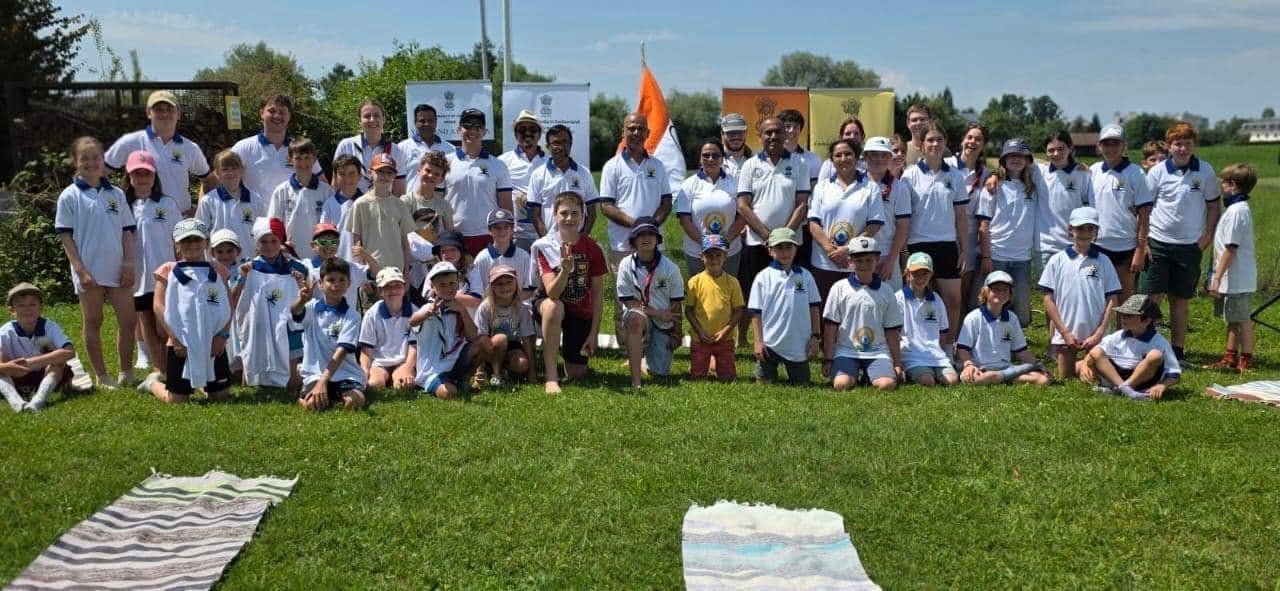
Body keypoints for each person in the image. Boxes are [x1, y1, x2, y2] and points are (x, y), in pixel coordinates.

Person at [56, 136, 139, 389]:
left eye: (96, 158)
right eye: (85, 158)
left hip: (117, 268)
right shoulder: (69, 196)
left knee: (129, 320)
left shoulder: (116, 193)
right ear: (75, 161)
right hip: (88, 269)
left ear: (102, 160)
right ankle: (102, 376)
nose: (91, 163)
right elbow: (66, 237)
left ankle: (126, 372)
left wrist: (129, 264)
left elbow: (127, 231)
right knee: (94, 321)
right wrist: (80, 270)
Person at [1140, 121, 1220, 362]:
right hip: (1158, 243)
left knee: (1180, 299)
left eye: (1187, 143)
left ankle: (1177, 352)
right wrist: (1143, 242)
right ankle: (1146, 348)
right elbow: (1144, 208)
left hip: (1189, 246)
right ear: (1169, 146)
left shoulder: (1205, 171)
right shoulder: (1157, 171)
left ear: (1193, 145)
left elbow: (1213, 206)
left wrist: (1207, 237)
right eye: (1177, 144)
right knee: (1151, 297)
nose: (1183, 148)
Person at [138, 219, 233, 403]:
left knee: (220, 397)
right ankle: (152, 384)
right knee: (177, 400)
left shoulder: (217, 270)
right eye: (185, 240)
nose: (192, 244)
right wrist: (175, 338)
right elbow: (158, 306)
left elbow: (228, 305)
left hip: (213, 340)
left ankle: (203, 383)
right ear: (177, 244)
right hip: (181, 342)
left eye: (196, 239)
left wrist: (222, 336)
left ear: (206, 242)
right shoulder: (168, 270)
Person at [736, 117, 811, 346]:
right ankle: (744, 338)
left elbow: (802, 203)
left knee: (786, 291)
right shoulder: (750, 165)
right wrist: (768, 236)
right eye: (767, 132)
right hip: (757, 242)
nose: (773, 136)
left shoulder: (799, 163)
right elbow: (743, 205)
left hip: (790, 243)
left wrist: (783, 238)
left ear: (785, 135)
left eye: (777, 132)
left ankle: (783, 335)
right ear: (760, 136)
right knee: (752, 290)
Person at [530, 192, 607, 394]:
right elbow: (553, 293)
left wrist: (594, 333)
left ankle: (566, 354)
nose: (569, 218)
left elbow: (598, 294)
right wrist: (564, 270)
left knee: (577, 374)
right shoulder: (544, 246)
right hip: (549, 304)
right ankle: (551, 377)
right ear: (554, 215)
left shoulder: (593, 248)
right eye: (564, 213)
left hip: (579, 309)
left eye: (575, 213)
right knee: (554, 307)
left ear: (583, 216)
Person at [903, 122, 969, 347]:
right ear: (922, 145)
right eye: (930, 140)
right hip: (917, 244)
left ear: (945, 143)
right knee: (917, 300)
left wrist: (964, 249)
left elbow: (961, 217)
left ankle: (948, 348)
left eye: (939, 139)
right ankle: (918, 347)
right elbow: (904, 217)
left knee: (953, 300)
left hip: (947, 245)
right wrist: (904, 251)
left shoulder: (956, 176)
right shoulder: (909, 175)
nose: (935, 144)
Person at [1038, 207, 1122, 380]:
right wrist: (1065, 333)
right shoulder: (1057, 260)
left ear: (1096, 231)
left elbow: (1112, 299)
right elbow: (1048, 300)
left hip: (1097, 336)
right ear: (1070, 230)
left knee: (1092, 379)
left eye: (1090, 229)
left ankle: (1090, 362)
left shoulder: (1104, 261)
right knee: (1066, 378)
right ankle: (1083, 363)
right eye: (1080, 228)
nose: (1085, 233)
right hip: (1067, 335)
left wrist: (1099, 333)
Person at [105, 91, 212, 214]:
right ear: (148, 113)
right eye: (159, 109)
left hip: (180, 222)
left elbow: (208, 180)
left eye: (169, 109)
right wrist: (113, 208)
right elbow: (99, 173)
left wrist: (199, 210)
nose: (165, 113)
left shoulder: (190, 148)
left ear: (178, 114)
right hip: (139, 221)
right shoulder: (130, 142)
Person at [233, 218, 307, 388]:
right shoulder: (249, 268)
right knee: (252, 364)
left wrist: (300, 283)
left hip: (286, 326)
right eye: (263, 241)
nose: (269, 246)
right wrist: (242, 278)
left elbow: (306, 297)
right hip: (258, 325)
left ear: (281, 241)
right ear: (257, 243)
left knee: (291, 381)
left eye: (273, 241)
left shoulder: (296, 268)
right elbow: (234, 298)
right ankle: (251, 386)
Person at [821, 237, 902, 392]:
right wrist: (828, 359)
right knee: (841, 384)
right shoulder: (839, 288)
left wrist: (897, 363)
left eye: (869, 260)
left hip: (877, 351)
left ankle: (869, 373)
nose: (864, 265)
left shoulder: (886, 290)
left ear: (877, 260)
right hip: (846, 350)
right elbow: (831, 327)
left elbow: (891, 330)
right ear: (850, 261)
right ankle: (855, 372)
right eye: (859, 260)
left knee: (887, 385)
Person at [976, 138, 1042, 327]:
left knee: (1021, 312)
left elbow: (1051, 163)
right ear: (1003, 159)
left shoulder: (1033, 187)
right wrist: (986, 257)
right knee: (992, 305)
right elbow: (984, 226)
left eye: (1021, 156)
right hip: (996, 255)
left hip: (1022, 258)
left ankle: (1014, 341)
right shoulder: (993, 187)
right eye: (1011, 155)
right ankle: (992, 339)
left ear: (1028, 160)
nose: (1016, 159)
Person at [807, 138, 884, 300]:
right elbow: (813, 224)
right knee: (825, 311)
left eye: (848, 154)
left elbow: (874, 226)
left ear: (856, 157)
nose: (843, 159)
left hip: (857, 264)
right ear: (831, 160)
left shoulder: (871, 188)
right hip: (824, 263)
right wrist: (832, 252)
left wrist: (848, 250)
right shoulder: (821, 187)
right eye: (838, 155)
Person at [126, 150, 179, 377]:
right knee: (146, 322)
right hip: (139, 277)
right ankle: (159, 369)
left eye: (146, 173)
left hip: (166, 275)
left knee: (163, 324)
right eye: (136, 174)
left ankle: (173, 366)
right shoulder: (124, 205)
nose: (142, 178)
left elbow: (178, 238)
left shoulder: (167, 204)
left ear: (154, 176)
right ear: (129, 176)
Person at [599, 112, 672, 270]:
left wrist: (650, 228)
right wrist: (638, 226)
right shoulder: (611, 166)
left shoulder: (658, 165)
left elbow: (666, 203)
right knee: (624, 286)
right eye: (631, 129)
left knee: (656, 285)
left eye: (641, 129)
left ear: (648, 133)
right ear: (623, 132)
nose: (636, 133)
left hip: (654, 244)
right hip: (622, 245)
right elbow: (606, 206)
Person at [617, 217, 684, 387]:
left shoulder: (671, 268)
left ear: (657, 239)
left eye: (650, 234)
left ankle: (642, 359)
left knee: (658, 373)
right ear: (634, 240)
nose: (646, 238)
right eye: (641, 235)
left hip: (664, 323)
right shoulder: (626, 264)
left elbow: (676, 305)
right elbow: (629, 302)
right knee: (635, 320)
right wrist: (657, 313)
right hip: (642, 315)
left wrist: (677, 334)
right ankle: (636, 380)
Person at [291, 257, 366, 411]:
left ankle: (333, 394)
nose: (336, 284)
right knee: (311, 406)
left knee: (353, 402)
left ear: (349, 284)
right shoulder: (311, 308)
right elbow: (295, 312)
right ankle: (310, 396)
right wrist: (301, 300)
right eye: (330, 280)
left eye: (342, 280)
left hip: (346, 373)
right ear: (320, 284)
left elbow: (342, 351)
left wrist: (323, 382)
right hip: (316, 374)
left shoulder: (353, 315)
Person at [748, 228, 820, 385]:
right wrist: (758, 342)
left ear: (796, 249)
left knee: (802, 384)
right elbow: (755, 312)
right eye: (779, 248)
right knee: (764, 384)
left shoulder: (806, 276)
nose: (785, 252)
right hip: (769, 344)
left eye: (789, 247)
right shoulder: (763, 277)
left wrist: (815, 337)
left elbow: (814, 308)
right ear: (770, 251)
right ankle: (766, 368)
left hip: (798, 345)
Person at [1090, 124, 1153, 302]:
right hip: (1097, 245)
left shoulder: (1135, 173)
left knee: (1125, 299)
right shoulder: (1093, 171)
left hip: (1125, 247)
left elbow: (1144, 215)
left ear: (1124, 146)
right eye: (1106, 143)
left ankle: (1124, 323)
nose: (1110, 148)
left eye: (1115, 143)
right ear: (1099, 146)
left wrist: (1140, 250)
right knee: (1100, 299)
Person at [955, 271, 1051, 386]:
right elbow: (962, 349)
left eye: (1005, 290)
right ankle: (1006, 378)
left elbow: (1021, 351)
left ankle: (1000, 378)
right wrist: (968, 365)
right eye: (996, 289)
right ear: (986, 292)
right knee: (973, 378)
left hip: (1005, 368)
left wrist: (1038, 364)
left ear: (1010, 295)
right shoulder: (974, 317)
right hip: (979, 368)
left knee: (1043, 380)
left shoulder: (1012, 318)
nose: (1000, 293)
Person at [1078, 294, 1180, 400]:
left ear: (1147, 321)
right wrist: (1085, 364)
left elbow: (1174, 374)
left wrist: (1162, 385)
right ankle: (1123, 389)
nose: (1123, 318)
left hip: (1142, 382)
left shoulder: (1159, 342)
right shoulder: (1119, 335)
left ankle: (1126, 388)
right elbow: (1095, 352)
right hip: (1115, 376)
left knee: (1155, 355)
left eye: (1129, 316)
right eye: (1122, 315)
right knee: (1088, 358)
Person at [1207, 163, 1258, 372]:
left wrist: (1217, 277)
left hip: (1237, 276)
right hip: (1232, 277)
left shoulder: (1237, 211)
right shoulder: (1234, 208)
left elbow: (1230, 248)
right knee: (1232, 318)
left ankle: (1246, 359)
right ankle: (1230, 357)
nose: (1221, 184)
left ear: (1233, 185)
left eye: (1224, 181)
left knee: (1242, 318)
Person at [444, 108, 514, 256]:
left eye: (478, 127)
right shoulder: (446, 162)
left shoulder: (498, 165)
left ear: (484, 132)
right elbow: (438, 201)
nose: (472, 130)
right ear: (459, 129)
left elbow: (506, 205)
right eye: (467, 126)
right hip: (455, 236)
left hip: (489, 235)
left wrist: (508, 238)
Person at [230, 94, 324, 201]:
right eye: (272, 111)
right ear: (261, 113)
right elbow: (220, 178)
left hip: (293, 212)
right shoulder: (243, 148)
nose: (277, 116)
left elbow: (322, 183)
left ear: (289, 116)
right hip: (255, 212)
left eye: (282, 112)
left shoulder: (301, 149)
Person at [411, 262, 483, 399]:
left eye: (451, 283)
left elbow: (473, 336)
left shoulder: (458, 306)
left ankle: (463, 379)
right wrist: (427, 314)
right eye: (442, 285)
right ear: (433, 287)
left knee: (483, 343)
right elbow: (412, 322)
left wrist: (462, 310)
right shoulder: (429, 308)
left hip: (454, 361)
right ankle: (442, 384)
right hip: (433, 369)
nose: (448, 288)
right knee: (449, 393)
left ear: (458, 283)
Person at [0, 283, 75, 412]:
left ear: (41, 308)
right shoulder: (5, 332)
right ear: (12, 310)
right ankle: (16, 402)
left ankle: (39, 400)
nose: (27, 309)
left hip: (44, 374)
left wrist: (30, 363)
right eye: (21, 305)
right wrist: (8, 367)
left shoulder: (50, 327)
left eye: (32, 304)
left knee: (59, 363)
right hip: (16, 376)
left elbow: (69, 352)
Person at [676, 138, 745, 276]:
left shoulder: (735, 183)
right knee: (700, 289)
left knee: (728, 288)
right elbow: (684, 220)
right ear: (700, 159)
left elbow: (742, 217)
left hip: (729, 251)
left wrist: (725, 241)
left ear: (722, 158)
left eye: (715, 155)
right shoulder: (688, 185)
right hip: (697, 252)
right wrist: (705, 243)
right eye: (706, 155)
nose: (710, 159)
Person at [267, 138, 341, 261]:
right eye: (298, 158)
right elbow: (274, 224)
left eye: (307, 157)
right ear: (290, 159)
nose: (303, 163)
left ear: (314, 159)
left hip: (322, 256)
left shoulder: (327, 191)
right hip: (290, 257)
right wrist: (280, 245)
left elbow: (334, 225)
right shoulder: (281, 191)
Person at [685, 234, 744, 382]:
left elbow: (738, 311)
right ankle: (701, 364)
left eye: (718, 255)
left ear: (725, 257)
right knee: (698, 377)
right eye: (709, 255)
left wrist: (725, 332)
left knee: (728, 378)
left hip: (725, 339)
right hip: (700, 338)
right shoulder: (694, 282)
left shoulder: (733, 282)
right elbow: (689, 310)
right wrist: (700, 332)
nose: (714, 259)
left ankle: (714, 363)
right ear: (701, 257)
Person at [895, 253, 958, 386]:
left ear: (931, 275)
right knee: (927, 381)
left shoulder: (936, 299)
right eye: (916, 274)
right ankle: (917, 373)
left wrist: (940, 352)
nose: (920, 278)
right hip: (911, 355)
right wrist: (897, 362)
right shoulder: (899, 298)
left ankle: (934, 371)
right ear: (907, 274)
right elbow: (895, 334)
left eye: (925, 274)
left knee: (952, 380)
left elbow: (942, 332)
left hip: (936, 356)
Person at [195, 149, 266, 265]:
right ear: (217, 173)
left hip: (249, 263)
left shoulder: (255, 199)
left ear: (242, 171)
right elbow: (200, 234)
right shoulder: (208, 201)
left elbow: (262, 232)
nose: (231, 173)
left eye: (234, 168)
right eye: (225, 169)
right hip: (218, 265)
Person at [348, 152, 415, 275]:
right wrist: (362, 271)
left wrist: (406, 274)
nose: (385, 176)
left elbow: (405, 244)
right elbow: (356, 242)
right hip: (370, 271)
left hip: (396, 272)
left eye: (389, 173)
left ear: (394, 176)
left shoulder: (400, 205)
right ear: (370, 173)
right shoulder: (360, 204)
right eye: (380, 171)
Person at [527, 125, 597, 238]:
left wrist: (581, 239)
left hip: (577, 239)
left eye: (564, 142)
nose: (560, 146)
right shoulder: (538, 175)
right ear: (548, 147)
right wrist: (547, 241)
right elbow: (534, 215)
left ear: (571, 145)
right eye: (555, 142)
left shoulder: (584, 173)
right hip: (548, 240)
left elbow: (592, 212)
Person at [948, 124, 990, 308]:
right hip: (945, 233)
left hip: (970, 237)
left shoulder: (986, 173)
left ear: (984, 145)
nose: (973, 142)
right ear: (962, 140)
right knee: (942, 288)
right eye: (970, 137)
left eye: (978, 139)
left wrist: (996, 175)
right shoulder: (946, 164)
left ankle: (959, 326)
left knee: (963, 292)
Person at [474, 264, 537, 388]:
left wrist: (532, 372)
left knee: (522, 364)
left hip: (512, 345)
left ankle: (503, 371)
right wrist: (479, 373)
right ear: (492, 287)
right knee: (500, 338)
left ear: (516, 284)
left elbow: (526, 340)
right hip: (490, 347)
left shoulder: (522, 308)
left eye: (509, 282)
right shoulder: (485, 307)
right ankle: (495, 375)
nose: (505, 287)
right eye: (499, 284)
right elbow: (480, 339)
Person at [1038, 130, 1093, 269]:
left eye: (1061, 148)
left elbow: (1089, 207)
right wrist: (995, 174)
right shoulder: (1039, 172)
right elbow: (1014, 162)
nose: (1056, 153)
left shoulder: (1083, 174)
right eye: (1051, 150)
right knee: (1047, 284)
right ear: (1045, 152)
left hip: (1074, 245)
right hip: (1046, 246)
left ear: (1070, 148)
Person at [863, 137, 913, 291]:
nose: (878, 159)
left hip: (886, 255)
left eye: (884, 155)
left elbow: (903, 228)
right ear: (865, 157)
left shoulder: (899, 188)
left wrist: (891, 261)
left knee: (889, 303)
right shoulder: (854, 183)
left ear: (890, 157)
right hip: (858, 254)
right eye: (874, 154)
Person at [358, 268, 418, 390]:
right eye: (387, 287)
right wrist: (364, 372)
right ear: (380, 291)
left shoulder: (415, 312)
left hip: (403, 362)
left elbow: (414, 347)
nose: (393, 290)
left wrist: (407, 368)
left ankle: (397, 377)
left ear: (404, 288)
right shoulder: (372, 314)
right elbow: (366, 350)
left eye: (397, 285)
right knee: (375, 385)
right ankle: (386, 379)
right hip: (379, 363)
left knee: (403, 385)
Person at [333, 98, 409, 194]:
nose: (372, 119)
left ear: (384, 119)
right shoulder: (346, 146)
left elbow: (399, 191)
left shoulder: (396, 150)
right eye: (367, 116)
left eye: (376, 115)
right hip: (351, 202)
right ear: (359, 121)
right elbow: (336, 183)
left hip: (383, 202)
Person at [499, 110, 548, 251]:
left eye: (532, 129)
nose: (527, 133)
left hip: (545, 234)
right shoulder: (502, 162)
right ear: (516, 135)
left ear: (539, 135)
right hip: (514, 235)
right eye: (522, 130)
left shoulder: (550, 162)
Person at [304, 223, 377, 309]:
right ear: (313, 245)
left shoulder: (350, 267)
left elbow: (377, 274)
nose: (329, 246)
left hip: (348, 317)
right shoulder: (306, 267)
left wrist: (366, 255)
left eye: (334, 242)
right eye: (323, 242)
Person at [468, 209, 534, 300]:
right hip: (491, 306)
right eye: (497, 228)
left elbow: (529, 289)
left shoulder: (524, 256)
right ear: (490, 230)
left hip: (519, 304)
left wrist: (510, 303)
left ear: (512, 229)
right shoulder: (481, 259)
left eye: (506, 227)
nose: (502, 231)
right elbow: (478, 291)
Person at [400, 103, 453, 195]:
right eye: (422, 121)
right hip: (410, 202)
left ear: (436, 122)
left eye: (430, 120)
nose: (427, 124)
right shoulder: (402, 147)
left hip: (439, 202)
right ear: (415, 123)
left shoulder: (450, 149)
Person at [403, 151, 455, 241]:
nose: (431, 175)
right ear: (419, 171)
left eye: (436, 174)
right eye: (428, 170)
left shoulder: (444, 205)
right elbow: (401, 234)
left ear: (441, 179)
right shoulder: (406, 201)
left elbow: (450, 237)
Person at [329, 154, 364, 261]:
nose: (347, 178)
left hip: (363, 265)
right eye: (342, 174)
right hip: (337, 265)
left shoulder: (368, 203)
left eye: (351, 174)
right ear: (335, 177)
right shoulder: (329, 204)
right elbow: (326, 236)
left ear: (360, 176)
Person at [719, 113, 753, 178]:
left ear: (746, 132)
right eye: (731, 132)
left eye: (740, 132)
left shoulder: (757, 160)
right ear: (722, 134)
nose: (736, 136)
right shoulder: (712, 161)